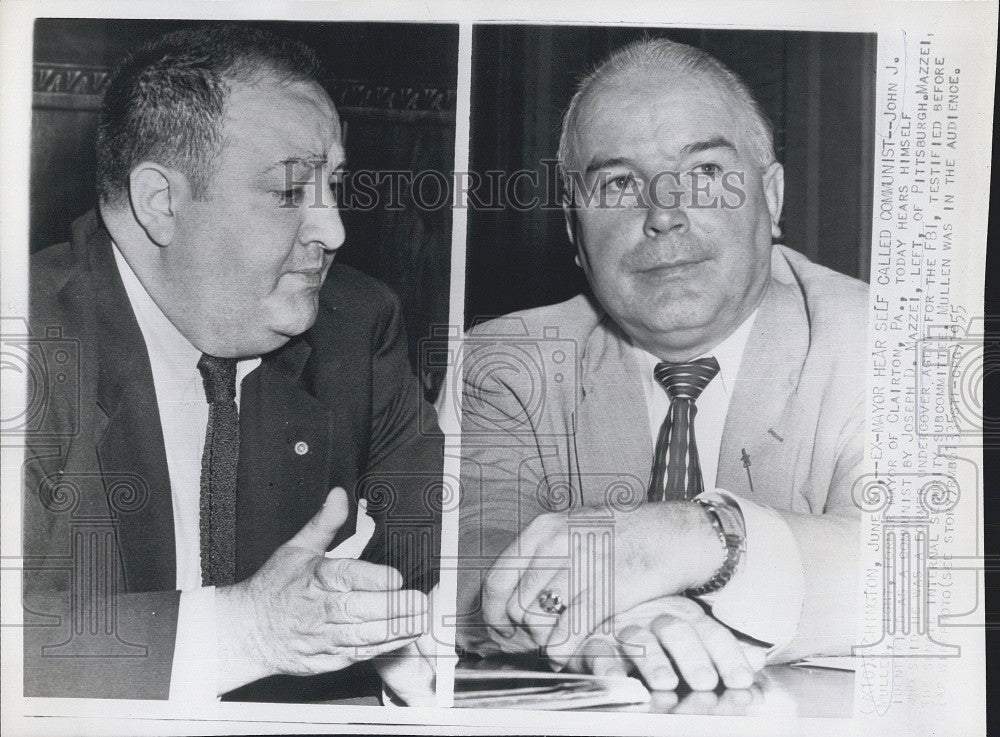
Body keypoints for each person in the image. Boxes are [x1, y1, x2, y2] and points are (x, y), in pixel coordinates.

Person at [23, 24, 442, 703]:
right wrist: (246, 630)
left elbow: (444, 554)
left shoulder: (358, 325)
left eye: (334, 184)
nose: (333, 229)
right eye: (289, 192)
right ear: (162, 202)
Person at [457, 37, 866, 692]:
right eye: (618, 183)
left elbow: (909, 571)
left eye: (703, 172)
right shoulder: (509, 364)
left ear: (773, 195)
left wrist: (696, 541)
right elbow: (479, 586)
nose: (663, 214)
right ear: (574, 231)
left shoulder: (876, 339)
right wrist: (629, 621)